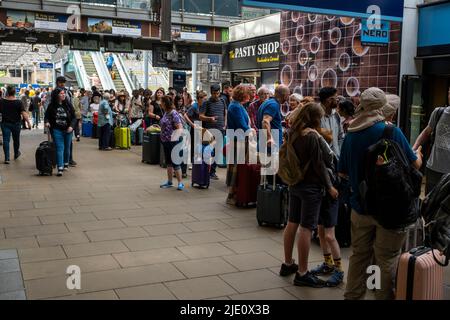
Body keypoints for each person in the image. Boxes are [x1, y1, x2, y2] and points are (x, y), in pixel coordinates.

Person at [339, 87, 423, 300]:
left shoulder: (350, 134)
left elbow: (342, 172)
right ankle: (381, 295)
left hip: (360, 208)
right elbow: (415, 164)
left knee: (360, 255)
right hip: (390, 210)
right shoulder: (390, 131)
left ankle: (354, 295)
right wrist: (419, 152)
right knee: (385, 258)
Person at [279, 102, 336, 288]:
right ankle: (302, 273)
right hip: (311, 187)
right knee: (306, 228)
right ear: (314, 118)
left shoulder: (293, 132)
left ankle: (288, 263)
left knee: (292, 223)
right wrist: (329, 187)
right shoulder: (311, 136)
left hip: (295, 183)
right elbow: (321, 164)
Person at [413, 86, 450, 194]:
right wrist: (414, 148)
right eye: (449, 92)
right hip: (434, 169)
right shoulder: (438, 112)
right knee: (428, 201)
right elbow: (426, 132)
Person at [225, 84, 254, 205]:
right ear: (243, 95)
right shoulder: (236, 106)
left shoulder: (236, 105)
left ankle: (235, 194)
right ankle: (233, 195)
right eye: (249, 93)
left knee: (236, 168)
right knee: (237, 168)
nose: (251, 95)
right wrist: (252, 131)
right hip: (239, 140)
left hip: (237, 140)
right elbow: (242, 125)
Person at [44, 88, 77, 177]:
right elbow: (46, 116)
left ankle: (66, 162)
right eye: (61, 93)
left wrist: (71, 126)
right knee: (59, 148)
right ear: (56, 95)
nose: (63, 95)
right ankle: (60, 168)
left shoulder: (68, 104)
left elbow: (74, 117)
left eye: (64, 93)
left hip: (68, 130)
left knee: (67, 148)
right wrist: (47, 122)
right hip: (56, 129)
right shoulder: (52, 105)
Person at [199, 84, 227, 180]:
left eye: (217, 93)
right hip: (209, 131)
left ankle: (212, 172)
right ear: (211, 93)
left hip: (221, 130)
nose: (216, 95)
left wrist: (225, 124)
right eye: (214, 93)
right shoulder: (206, 103)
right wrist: (209, 119)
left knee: (217, 151)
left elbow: (225, 113)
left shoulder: (223, 101)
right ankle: (205, 170)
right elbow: (201, 116)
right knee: (208, 151)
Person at [0, 86, 31, 164]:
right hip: (16, 124)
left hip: (5, 123)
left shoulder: (1, 101)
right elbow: (24, 113)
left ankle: (7, 158)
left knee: (6, 140)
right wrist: (28, 123)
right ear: (14, 93)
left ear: (7, 92)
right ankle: (16, 154)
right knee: (16, 140)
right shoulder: (18, 102)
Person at [159, 95, 185, 191]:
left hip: (173, 142)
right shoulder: (166, 113)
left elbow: (180, 128)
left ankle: (180, 183)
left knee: (175, 162)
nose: (160, 104)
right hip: (165, 141)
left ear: (165, 103)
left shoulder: (174, 113)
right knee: (169, 162)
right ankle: (169, 182)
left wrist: (174, 140)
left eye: (161, 102)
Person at [257, 84, 290, 152]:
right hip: (270, 146)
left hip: (266, 143)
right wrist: (269, 138)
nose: (288, 97)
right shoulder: (273, 104)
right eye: (288, 95)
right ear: (284, 95)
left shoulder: (267, 102)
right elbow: (265, 121)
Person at [185, 90, 207, 165]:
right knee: (194, 145)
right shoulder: (194, 106)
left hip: (202, 127)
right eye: (204, 99)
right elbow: (186, 115)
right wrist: (192, 124)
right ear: (199, 99)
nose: (205, 100)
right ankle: (192, 161)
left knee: (200, 145)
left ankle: (199, 160)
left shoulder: (204, 106)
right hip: (195, 127)